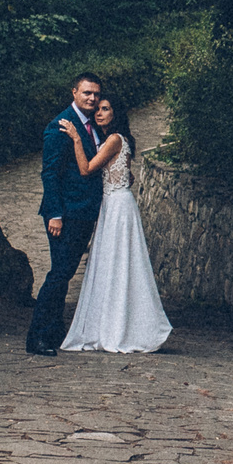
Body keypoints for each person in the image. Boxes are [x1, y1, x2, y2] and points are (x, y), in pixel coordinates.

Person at [57, 93, 172, 354]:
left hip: (118, 207)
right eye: (97, 109)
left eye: (105, 109)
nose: (99, 113)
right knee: (111, 264)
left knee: (120, 263)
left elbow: (87, 169)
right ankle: (112, 323)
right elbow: (125, 174)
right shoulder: (113, 139)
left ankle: (121, 327)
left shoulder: (114, 139)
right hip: (114, 204)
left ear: (115, 113)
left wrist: (76, 137)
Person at [25, 73, 105, 355]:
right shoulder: (59, 127)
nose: (92, 98)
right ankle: (37, 337)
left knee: (66, 273)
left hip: (84, 212)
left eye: (96, 94)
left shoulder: (93, 126)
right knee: (59, 274)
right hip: (65, 214)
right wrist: (55, 214)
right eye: (86, 93)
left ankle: (56, 329)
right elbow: (50, 173)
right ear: (74, 92)